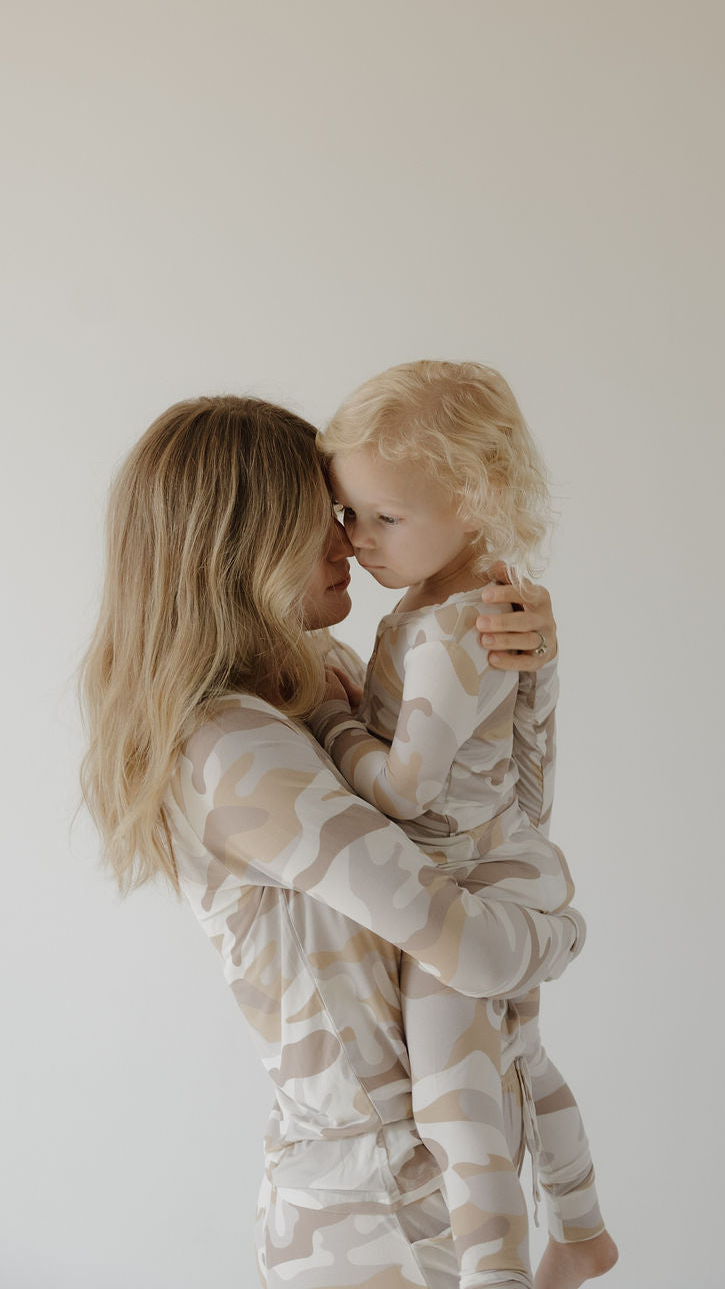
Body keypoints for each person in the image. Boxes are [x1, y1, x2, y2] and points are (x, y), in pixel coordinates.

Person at [80, 395, 586, 1289]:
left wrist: (525, 669)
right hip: (370, 1217)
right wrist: (564, 929)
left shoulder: (330, 676)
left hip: (447, 1177)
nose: (348, 540)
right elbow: (465, 938)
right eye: (326, 516)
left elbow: (496, 826)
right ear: (245, 544)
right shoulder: (231, 751)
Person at [313, 361, 618, 1289]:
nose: (358, 541)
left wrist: (336, 725)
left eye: (384, 518)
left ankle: (501, 1275)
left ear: (477, 496)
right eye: (349, 515)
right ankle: (580, 1229)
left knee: (457, 1107)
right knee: (518, 1056)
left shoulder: (453, 629)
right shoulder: (451, 604)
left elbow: (405, 791)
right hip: (495, 862)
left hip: (471, 878)